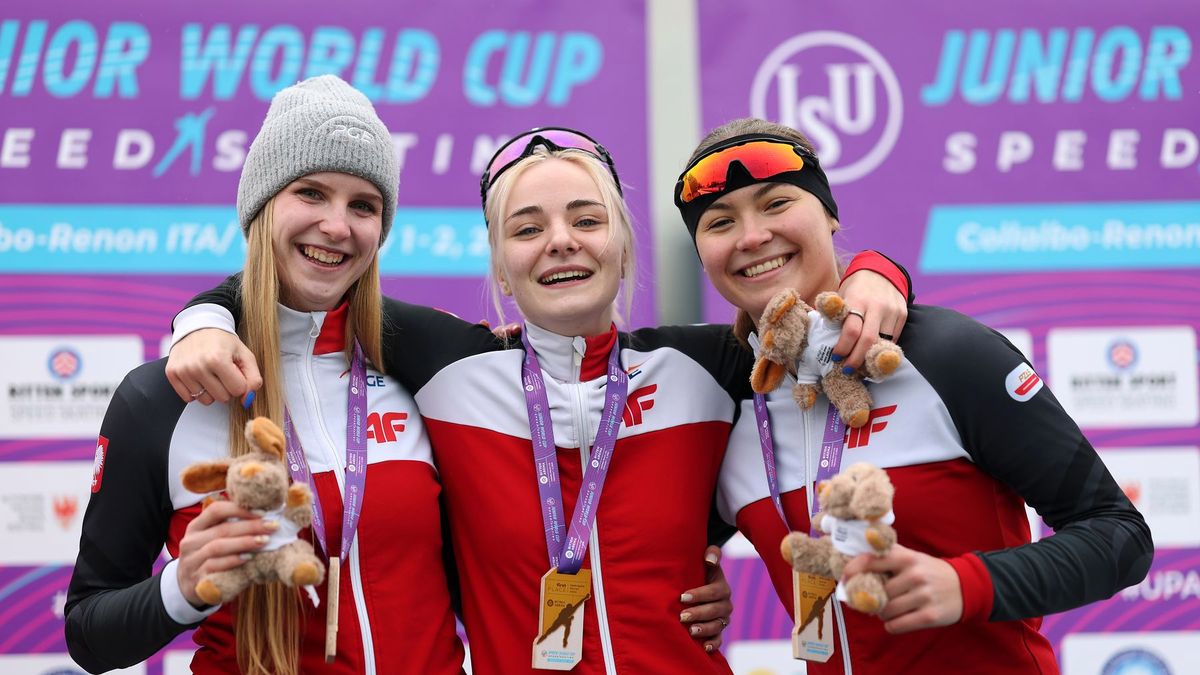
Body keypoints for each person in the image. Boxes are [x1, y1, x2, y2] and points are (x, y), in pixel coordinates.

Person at [165, 127, 912, 673]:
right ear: (498, 261)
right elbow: (300, 280)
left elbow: (809, 319)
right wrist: (202, 318)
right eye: (527, 228)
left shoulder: (706, 366)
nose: (561, 242)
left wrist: (878, 271)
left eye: (587, 220)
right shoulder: (442, 363)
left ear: (622, 242)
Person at [680, 118, 1155, 674]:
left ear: (830, 215)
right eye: (719, 222)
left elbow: (1119, 535)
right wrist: (696, 583)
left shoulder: (946, 353)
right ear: (703, 254)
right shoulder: (725, 397)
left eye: (777, 203)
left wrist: (967, 583)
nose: (751, 236)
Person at [65, 75, 467, 675]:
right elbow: (90, 633)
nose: (337, 226)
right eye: (310, 192)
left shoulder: (427, 369)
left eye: (364, 205)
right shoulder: (164, 396)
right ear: (262, 206)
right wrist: (183, 587)